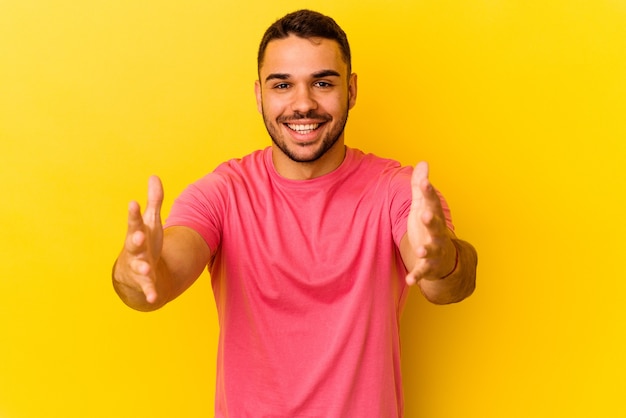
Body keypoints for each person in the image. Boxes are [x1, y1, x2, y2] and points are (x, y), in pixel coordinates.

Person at [112, 9, 477, 417]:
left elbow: (447, 286)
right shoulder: (223, 193)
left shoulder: (399, 190)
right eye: (282, 85)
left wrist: (441, 258)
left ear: (352, 90)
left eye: (322, 82)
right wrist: (137, 269)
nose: (303, 104)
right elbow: (155, 283)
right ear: (259, 95)